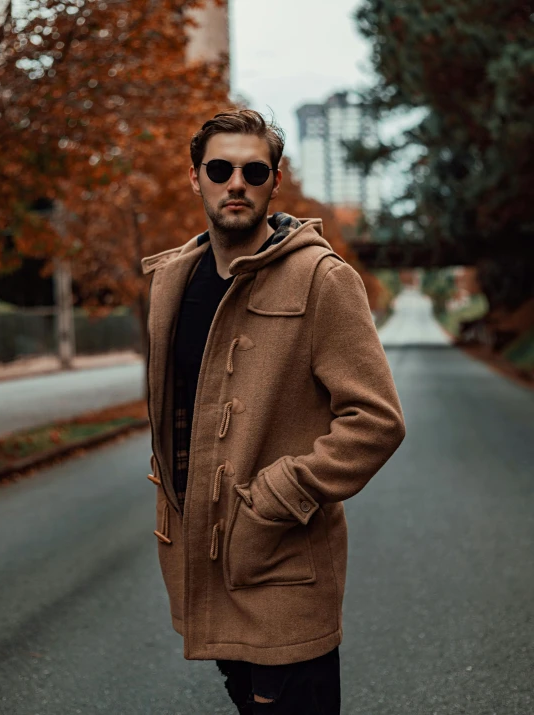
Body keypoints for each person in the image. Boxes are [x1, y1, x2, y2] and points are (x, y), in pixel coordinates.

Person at [141, 109, 406, 714]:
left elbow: (377, 420)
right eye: (220, 168)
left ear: (274, 181)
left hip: (283, 562)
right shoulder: (172, 280)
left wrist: (275, 497)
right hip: (202, 564)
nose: (236, 182)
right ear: (195, 178)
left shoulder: (322, 278)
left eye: (253, 170)